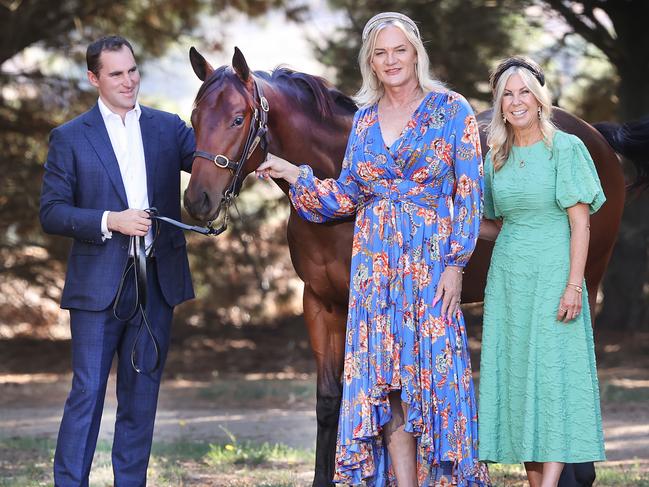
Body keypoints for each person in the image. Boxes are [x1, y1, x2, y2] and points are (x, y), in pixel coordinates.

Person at [256, 12, 490, 487]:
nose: (391, 60)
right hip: (375, 273)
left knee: (436, 385)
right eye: (380, 53)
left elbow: (469, 194)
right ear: (370, 62)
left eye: (399, 50)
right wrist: (291, 172)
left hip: (429, 266)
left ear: (415, 53)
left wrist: (456, 265)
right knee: (392, 391)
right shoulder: (363, 122)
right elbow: (344, 197)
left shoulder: (452, 110)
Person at [40, 35, 195, 486]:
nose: (129, 81)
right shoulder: (70, 138)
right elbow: (51, 212)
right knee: (87, 393)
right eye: (116, 74)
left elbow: (216, 161)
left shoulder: (170, 128)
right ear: (94, 79)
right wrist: (112, 219)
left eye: (132, 70)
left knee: (141, 396)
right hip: (97, 285)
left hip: (157, 282)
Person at [477, 56, 606, 487]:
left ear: (539, 98)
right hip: (509, 278)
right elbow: (495, 223)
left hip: (555, 272)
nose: (516, 102)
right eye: (507, 95)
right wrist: (442, 219)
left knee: (550, 379)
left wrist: (574, 285)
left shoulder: (565, 148)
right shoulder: (495, 157)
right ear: (498, 104)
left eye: (524, 92)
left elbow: (580, 221)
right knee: (518, 380)